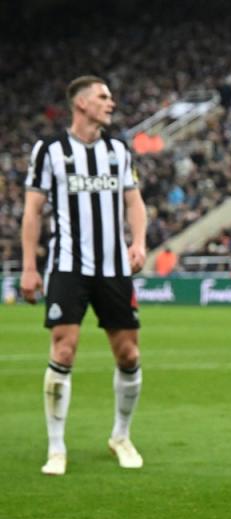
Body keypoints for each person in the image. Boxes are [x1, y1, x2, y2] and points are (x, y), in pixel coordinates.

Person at [20, 75, 147, 476]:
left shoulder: (118, 150)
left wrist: (139, 242)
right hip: (67, 266)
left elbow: (134, 201)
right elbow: (32, 211)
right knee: (63, 350)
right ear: (81, 104)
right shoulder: (50, 151)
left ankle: (121, 436)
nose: (111, 103)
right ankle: (56, 448)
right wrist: (28, 267)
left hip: (114, 267)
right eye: (102, 97)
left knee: (128, 354)